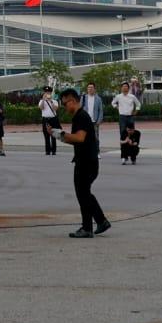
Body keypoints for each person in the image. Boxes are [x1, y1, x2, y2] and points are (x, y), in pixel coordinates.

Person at [56, 88, 109, 238]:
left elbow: (79, 138)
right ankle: (101, 221)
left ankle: (87, 228)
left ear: (72, 101)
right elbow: (77, 141)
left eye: (65, 103)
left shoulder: (81, 116)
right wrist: (60, 136)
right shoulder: (80, 116)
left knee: (83, 194)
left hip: (86, 162)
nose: (64, 107)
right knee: (84, 193)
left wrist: (61, 134)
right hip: (86, 160)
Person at [114, 81, 141, 148]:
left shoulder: (132, 96)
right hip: (122, 117)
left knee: (132, 131)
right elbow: (113, 103)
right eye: (123, 87)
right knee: (123, 131)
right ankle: (123, 146)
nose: (124, 88)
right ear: (121, 88)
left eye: (126, 87)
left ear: (128, 88)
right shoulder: (118, 96)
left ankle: (132, 145)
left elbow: (138, 104)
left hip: (130, 116)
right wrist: (117, 107)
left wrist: (136, 111)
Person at [38, 87, 60, 155]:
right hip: (45, 119)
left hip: (53, 119)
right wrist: (44, 100)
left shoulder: (54, 101)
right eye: (46, 92)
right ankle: (47, 151)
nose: (47, 94)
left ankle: (53, 151)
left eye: (49, 92)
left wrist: (50, 101)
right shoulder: (42, 101)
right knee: (46, 135)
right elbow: (41, 108)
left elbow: (55, 109)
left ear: (51, 93)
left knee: (53, 135)